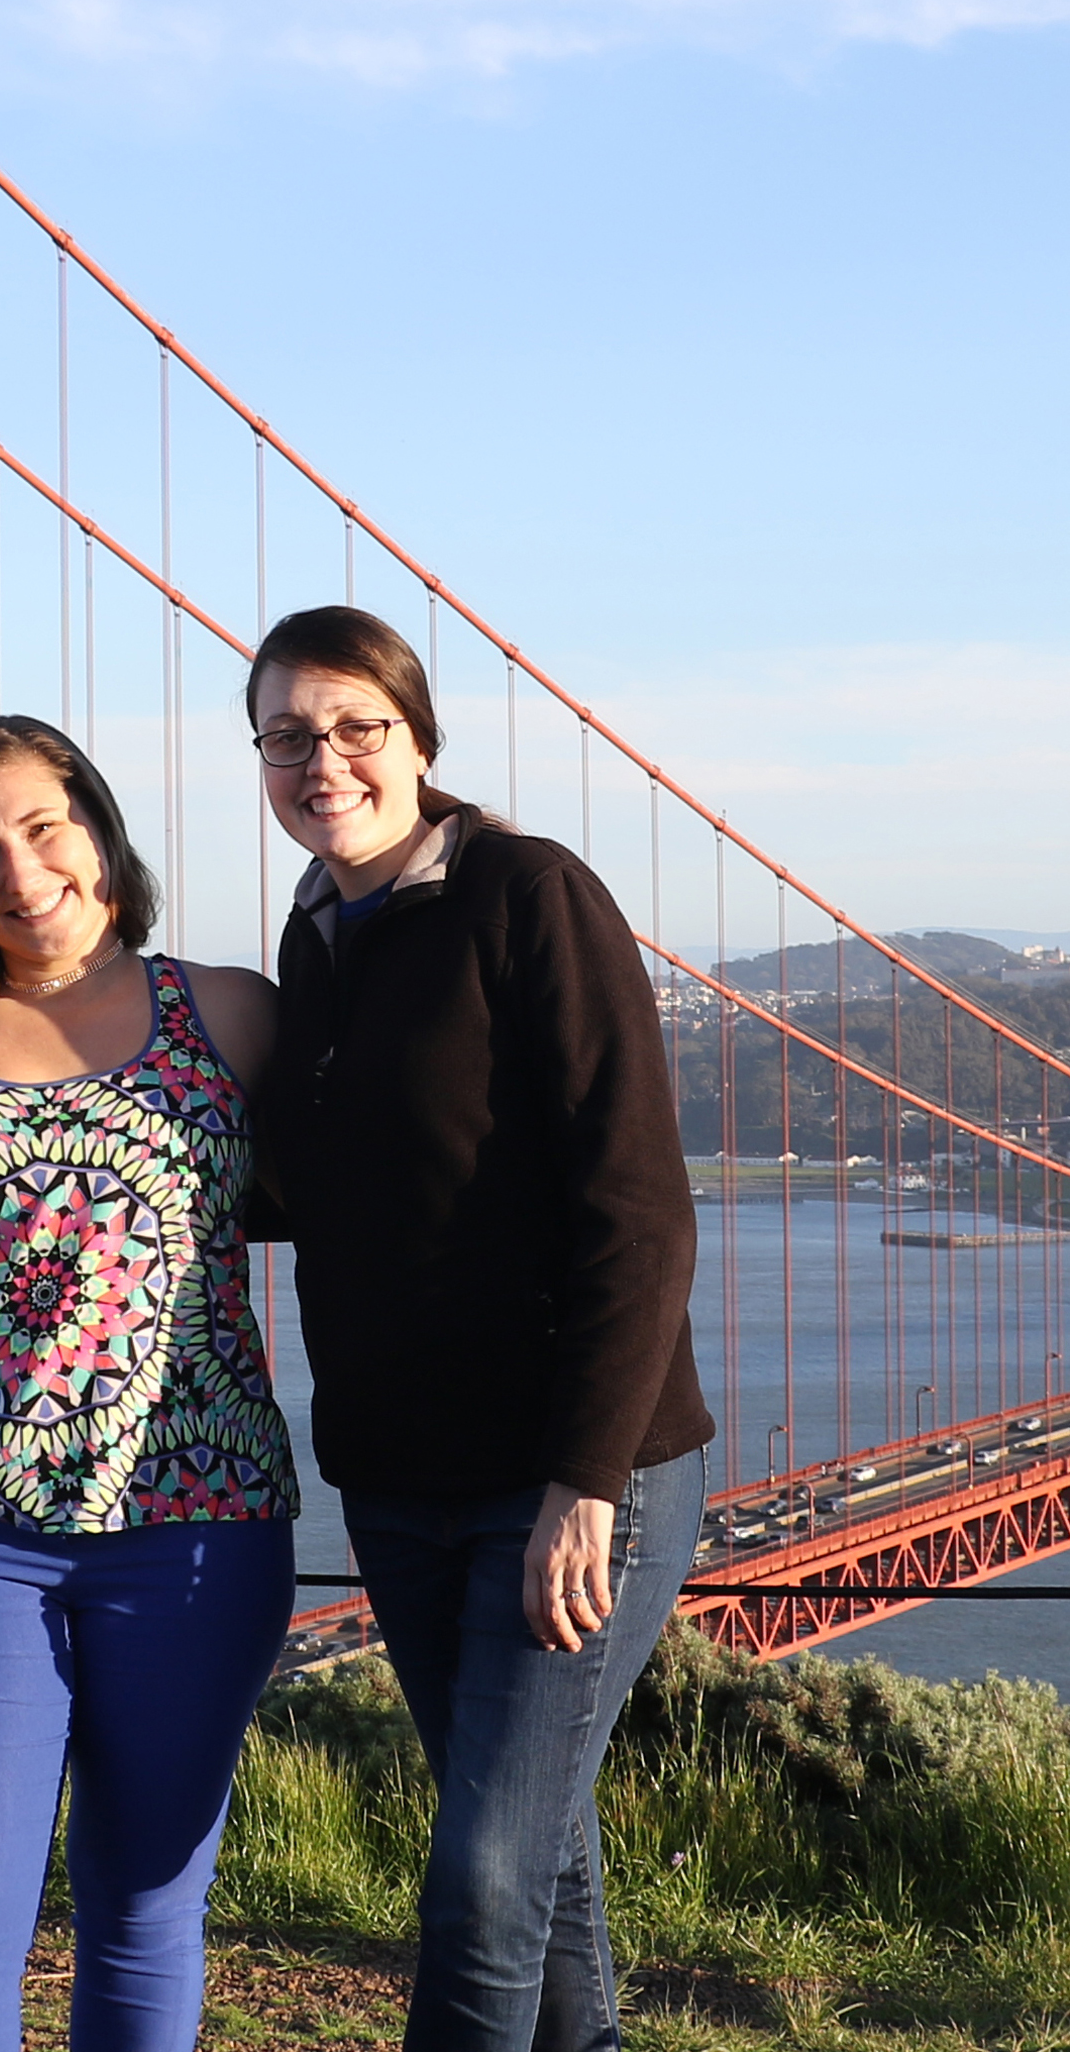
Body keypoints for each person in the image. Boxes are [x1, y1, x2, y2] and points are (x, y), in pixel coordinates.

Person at [247, 606, 714, 2052]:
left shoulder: (530, 895)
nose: (322, 761)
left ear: (419, 739)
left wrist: (585, 1483)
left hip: (576, 1471)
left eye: (354, 727)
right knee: (535, 1854)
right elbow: (330, 1186)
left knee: (483, 1882)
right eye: (285, 737)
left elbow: (638, 1210)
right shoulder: (317, 935)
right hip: (400, 1478)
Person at [0, 715, 298, 2052]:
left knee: (147, 1915)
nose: (18, 869)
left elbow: (399, 1175)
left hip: (199, 1527)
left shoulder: (230, 1011)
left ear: (97, 827)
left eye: (43, 826)